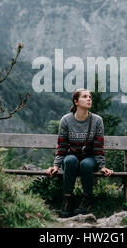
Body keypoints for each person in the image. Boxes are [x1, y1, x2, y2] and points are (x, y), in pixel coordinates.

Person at [46, 88, 114, 217]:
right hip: (72, 156)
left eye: (90, 97)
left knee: (86, 165)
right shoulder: (66, 120)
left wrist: (102, 166)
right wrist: (56, 165)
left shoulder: (97, 120)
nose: (89, 99)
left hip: (89, 157)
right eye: (85, 97)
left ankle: (87, 199)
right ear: (76, 102)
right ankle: (67, 199)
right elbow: (62, 146)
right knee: (70, 160)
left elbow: (98, 146)